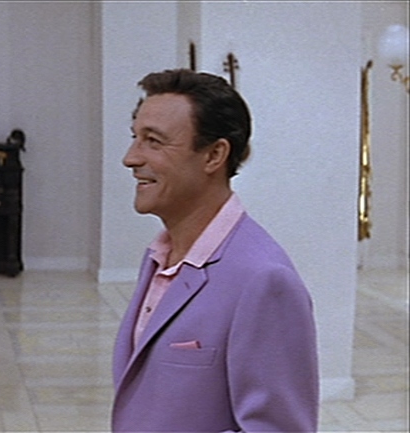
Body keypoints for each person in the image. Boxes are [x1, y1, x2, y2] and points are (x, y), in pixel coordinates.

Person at [111, 69, 319, 432]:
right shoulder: (159, 257)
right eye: (135, 138)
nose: (130, 158)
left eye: (154, 141)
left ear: (214, 155)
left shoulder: (264, 280)